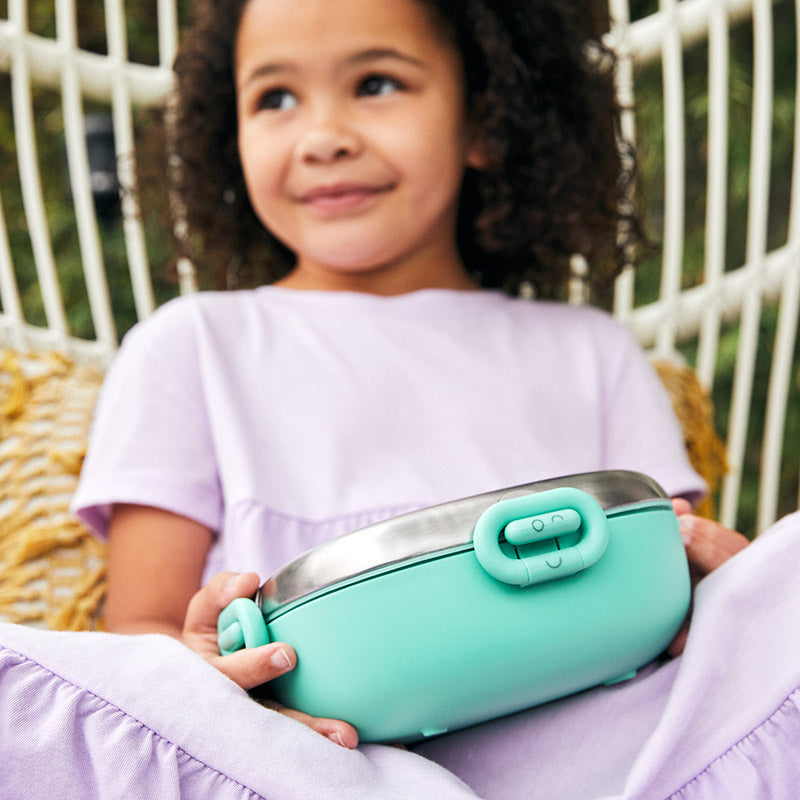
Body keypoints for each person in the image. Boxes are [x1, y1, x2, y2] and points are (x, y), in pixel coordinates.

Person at [70, 0, 748, 760]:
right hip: (306, 761)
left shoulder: (592, 352)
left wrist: (732, 591)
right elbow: (140, 633)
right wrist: (216, 686)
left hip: (605, 758)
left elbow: (673, 589)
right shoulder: (189, 347)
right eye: (275, 98)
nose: (324, 138)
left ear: (485, 122)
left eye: (377, 83)